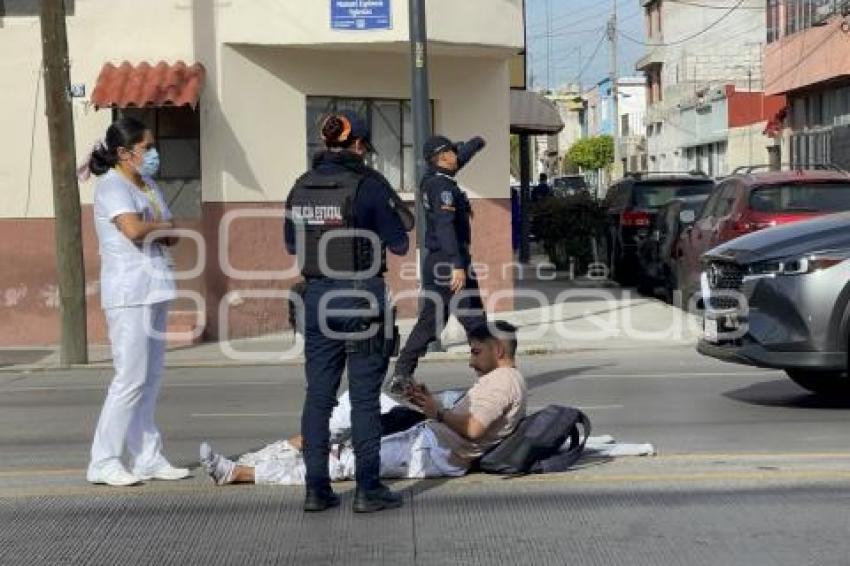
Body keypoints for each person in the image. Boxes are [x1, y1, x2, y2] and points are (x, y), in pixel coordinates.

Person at [199, 321, 527, 485]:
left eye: (476, 352)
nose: (471, 360)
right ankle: (278, 450)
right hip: (429, 432)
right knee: (358, 402)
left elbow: (473, 428)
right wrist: (428, 400)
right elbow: (469, 415)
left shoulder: (501, 383)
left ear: (498, 350)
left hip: (434, 451)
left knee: (346, 460)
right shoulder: (501, 379)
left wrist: (436, 410)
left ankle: (243, 473)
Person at [283, 110, 413, 513]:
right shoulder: (370, 185)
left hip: (317, 298)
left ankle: (316, 489)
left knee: (318, 398)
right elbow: (400, 244)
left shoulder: (300, 186)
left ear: (325, 144)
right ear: (358, 145)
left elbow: (292, 245)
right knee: (363, 400)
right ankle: (367, 488)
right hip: (360, 300)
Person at [86, 117, 189, 487]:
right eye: (147, 148)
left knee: (151, 377)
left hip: (156, 286)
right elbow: (132, 229)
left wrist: (158, 228)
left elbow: (171, 232)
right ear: (124, 153)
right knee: (129, 378)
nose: (154, 154)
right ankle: (104, 460)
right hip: (129, 294)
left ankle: (147, 457)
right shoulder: (112, 186)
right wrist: (160, 228)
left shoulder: (147, 186)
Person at [387, 134, 488, 394]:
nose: (457, 155)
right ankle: (492, 375)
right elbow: (445, 227)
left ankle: (401, 373)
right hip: (449, 260)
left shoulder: (434, 178)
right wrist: (456, 264)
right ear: (442, 157)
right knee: (474, 319)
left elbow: (458, 159)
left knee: (430, 321)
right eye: (453, 151)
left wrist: (475, 144)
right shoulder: (442, 188)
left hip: (437, 261)